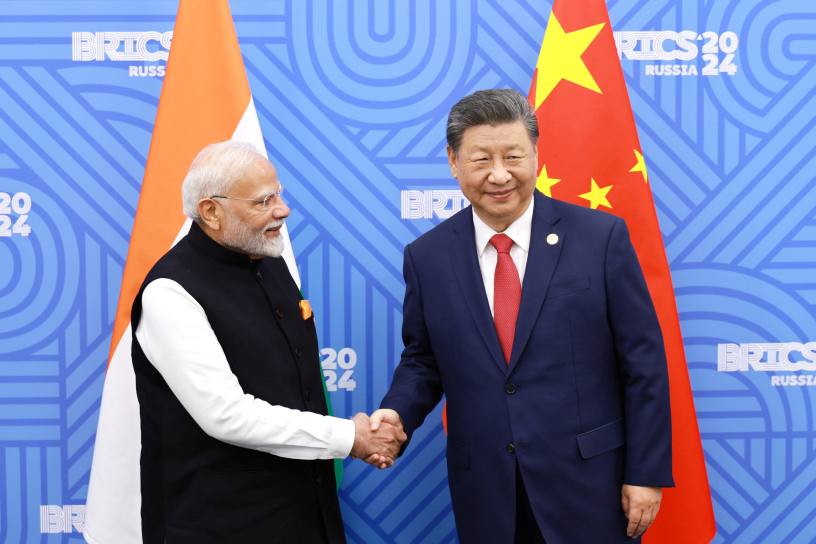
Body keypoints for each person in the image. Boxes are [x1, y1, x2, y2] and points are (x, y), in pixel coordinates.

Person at [370, 89, 673, 543]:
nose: (499, 175)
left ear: (535, 155)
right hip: (487, 489)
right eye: (480, 160)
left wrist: (645, 472)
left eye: (513, 156)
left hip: (590, 486)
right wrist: (397, 413)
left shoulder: (599, 238)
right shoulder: (428, 257)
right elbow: (424, 359)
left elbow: (643, 364)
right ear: (453, 162)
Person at [131, 140, 404, 543]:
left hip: (306, 517)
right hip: (220, 526)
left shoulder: (268, 259)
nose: (282, 210)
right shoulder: (170, 291)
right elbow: (226, 415)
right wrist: (351, 437)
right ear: (211, 211)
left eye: (278, 194)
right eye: (263, 201)